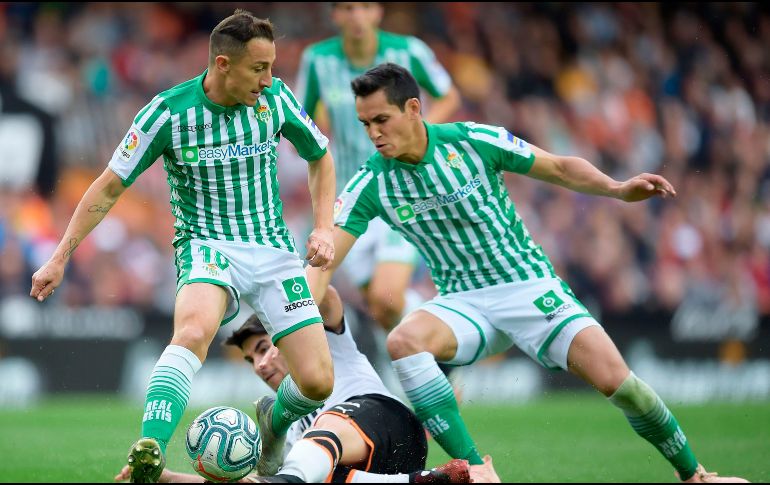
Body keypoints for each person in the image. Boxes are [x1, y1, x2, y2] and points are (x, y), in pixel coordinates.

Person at [306, 62, 749, 484]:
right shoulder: (371, 182)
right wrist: (299, 319)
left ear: (413, 108)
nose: (373, 133)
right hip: (462, 302)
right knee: (403, 341)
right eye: (365, 124)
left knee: (622, 385)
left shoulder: (471, 140)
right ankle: (477, 471)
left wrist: (616, 188)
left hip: (527, 286)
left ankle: (694, 474)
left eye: (381, 119)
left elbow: (558, 166)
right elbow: (326, 257)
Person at [30, 10, 337, 482]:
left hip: (272, 248)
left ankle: (273, 424)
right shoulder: (168, 112)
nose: (268, 79)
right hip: (206, 245)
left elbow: (320, 156)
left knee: (317, 382)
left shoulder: (275, 99)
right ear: (222, 64)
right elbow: (109, 186)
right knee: (192, 331)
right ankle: (149, 450)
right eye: (259, 68)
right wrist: (59, 257)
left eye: (271, 67)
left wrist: (323, 228)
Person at [114, 286, 479, 484]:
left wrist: (285, 311)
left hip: (389, 424)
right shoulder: (290, 432)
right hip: (390, 468)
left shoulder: (328, 344)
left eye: (262, 348)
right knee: (307, 473)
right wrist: (166, 478)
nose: (260, 365)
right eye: (251, 360)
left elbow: (328, 297)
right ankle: (429, 482)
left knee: (310, 453)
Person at [295, 2, 460, 332]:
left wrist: (418, 135)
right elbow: (301, 115)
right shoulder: (317, 59)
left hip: (404, 190)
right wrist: (320, 142)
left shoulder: (409, 51)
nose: (356, 16)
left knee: (388, 297)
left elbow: (448, 96)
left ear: (378, 11)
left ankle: (438, 335)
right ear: (335, 14)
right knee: (380, 306)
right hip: (352, 196)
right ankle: (426, 340)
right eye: (347, 8)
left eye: (365, 6)